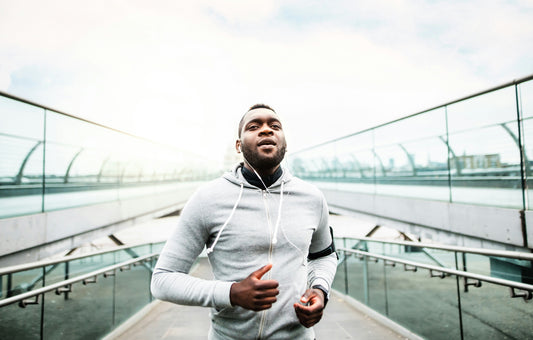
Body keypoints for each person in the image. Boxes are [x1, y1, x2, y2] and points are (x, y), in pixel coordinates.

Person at [151, 104, 338, 339]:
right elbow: (163, 279)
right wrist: (231, 293)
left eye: (274, 125)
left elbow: (323, 256)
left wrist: (320, 290)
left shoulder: (312, 198)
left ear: (285, 143)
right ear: (238, 145)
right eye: (254, 126)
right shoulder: (207, 198)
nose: (266, 130)